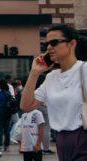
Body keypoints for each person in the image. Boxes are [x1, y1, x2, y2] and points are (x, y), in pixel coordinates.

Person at [20, 24, 85, 161]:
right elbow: (27, 106)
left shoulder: (84, 70)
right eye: (46, 44)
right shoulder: (51, 77)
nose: (49, 47)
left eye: (54, 42)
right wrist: (34, 73)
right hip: (62, 142)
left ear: (72, 44)